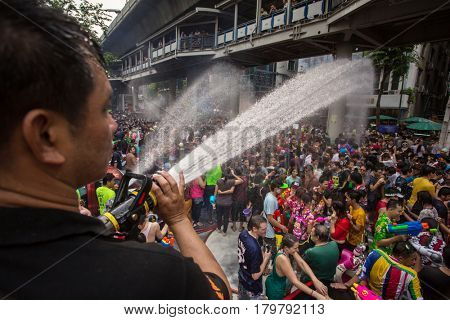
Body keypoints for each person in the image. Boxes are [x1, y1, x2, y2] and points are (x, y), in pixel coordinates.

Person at [0, 1, 230, 299]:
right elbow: (219, 297)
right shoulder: (156, 276)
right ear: (46, 135)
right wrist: (178, 219)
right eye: (104, 109)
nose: (112, 123)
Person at [265, 234, 329, 300]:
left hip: (280, 283)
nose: (297, 250)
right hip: (275, 289)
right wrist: (316, 295)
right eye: (295, 248)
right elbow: (295, 281)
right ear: (286, 248)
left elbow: (302, 263)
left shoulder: (287, 250)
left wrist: (315, 280)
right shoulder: (283, 259)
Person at [238, 215, 271, 300]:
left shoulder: (243, 234)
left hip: (242, 276)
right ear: (254, 229)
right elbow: (255, 276)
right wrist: (266, 258)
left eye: (266, 228)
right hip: (251, 286)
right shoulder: (254, 249)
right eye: (263, 229)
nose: (265, 231)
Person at [262, 181, 288, 257]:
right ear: (276, 188)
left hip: (269, 228)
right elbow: (270, 218)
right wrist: (282, 227)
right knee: (271, 253)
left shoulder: (270, 194)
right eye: (281, 189)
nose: (283, 191)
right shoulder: (271, 200)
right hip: (269, 231)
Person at [215, 168, 243, 236]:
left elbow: (215, 192)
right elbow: (241, 180)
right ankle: (224, 232)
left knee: (219, 216)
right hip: (228, 202)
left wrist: (213, 201)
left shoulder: (218, 181)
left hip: (219, 202)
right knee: (226, 217)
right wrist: (233, 174)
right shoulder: (232, 181)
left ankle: (219, 229)